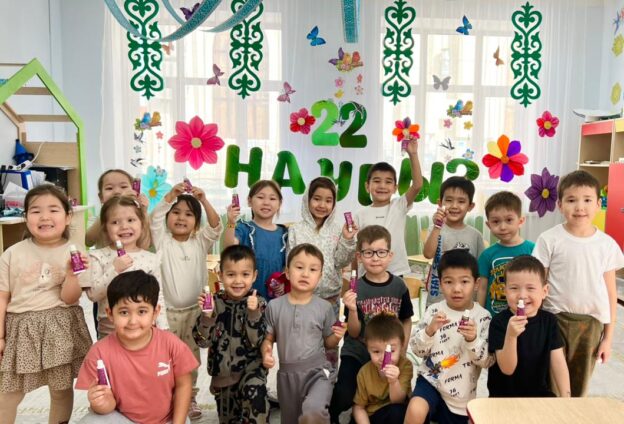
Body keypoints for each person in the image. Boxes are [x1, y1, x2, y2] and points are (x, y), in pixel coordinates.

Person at [0, 184, 92, 424]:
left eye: (53, 209)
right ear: (25, 217)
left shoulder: (75, 252)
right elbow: (2, 296)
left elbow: (70, 299)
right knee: (8, 393)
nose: (44, 216)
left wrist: (72, 274)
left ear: (68, 216)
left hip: (59, 328)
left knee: (60, 390)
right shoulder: (12, 253)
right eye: (35, 211)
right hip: (21, 329)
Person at [532, 170, 624, 396]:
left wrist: (608, 338)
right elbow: (538, 284)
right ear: (560, 205)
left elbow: (611, 294)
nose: (580, 207)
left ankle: (573, 413)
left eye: (587, 200)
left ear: (598, 204)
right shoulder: (549, 239)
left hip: (590, 324)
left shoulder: (606, 245)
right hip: (555, 319)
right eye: (571, 200)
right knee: (550, 382)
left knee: (579, 384)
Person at [75, 271, 198, 424]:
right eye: (124, 312)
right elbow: (107, 409)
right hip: (124, 419)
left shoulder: (171, 344)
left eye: (142, 311)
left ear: (155, 313)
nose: (133, 321)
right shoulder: (99, 353)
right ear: (110, 314)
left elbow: (184, 385)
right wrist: (101, 403)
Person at [151, 181, 222, 420]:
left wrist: (204, 200)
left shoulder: (199, 241)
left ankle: (189, 396)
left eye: (189, 214)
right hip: (167, 313)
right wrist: (170, 196)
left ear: (196, 222)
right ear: (168, 217)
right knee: (165, 358)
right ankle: (167, 397)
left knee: (190, 358)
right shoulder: (162, 240)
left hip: (194, 312)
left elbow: (216, 226)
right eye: (176, 212)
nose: (181, 218)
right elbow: (155, 218)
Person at [330, 225, 413, 423]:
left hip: (388, 350)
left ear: (390, 255)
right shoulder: (355, 289)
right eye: (369, 253)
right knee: (345, 393)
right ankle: (330, 415)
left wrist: (402, 349)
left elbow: (406, 319)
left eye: (381, 252)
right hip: (357, 350)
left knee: (395, 394)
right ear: (359, 256)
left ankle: (370, 413)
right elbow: (354, 332)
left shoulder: (399, 286)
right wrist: (351, 309)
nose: (375, 258)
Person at [261, 244, 347, 423]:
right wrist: (266, 352)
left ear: (320, 276)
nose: (305, 274)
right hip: (287, 377)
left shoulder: (324, 307)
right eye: (299, 267)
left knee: (313, 412)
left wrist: (337, 336)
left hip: (318, 372)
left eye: (313, 269)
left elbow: (329, 344)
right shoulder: (274, 306)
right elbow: (268, 338)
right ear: (287, 272)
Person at [406, 249, 493, 424]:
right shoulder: (433, 311)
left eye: (464, 281)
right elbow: (417, 350)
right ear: (440, 283)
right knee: (415, 409)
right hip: (430, 381)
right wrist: (429, 331)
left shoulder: (483, 317)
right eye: (448, 282)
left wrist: (473, 340)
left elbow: (487, 361)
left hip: (461, 396)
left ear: (476, 284)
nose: (456, 289)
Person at [193, 245, 269, 423]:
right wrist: (207, 316)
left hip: (253, 371)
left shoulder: (258, 303)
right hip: (224, 376)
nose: (238, 281)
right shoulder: (214, 303)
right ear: (220, 275)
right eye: (231, 274)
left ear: (254, 276)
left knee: (256, 403)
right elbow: (202, 342)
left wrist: (253, 314)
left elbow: (257, 341)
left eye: (245, 274)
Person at [288, 177, 357, 365]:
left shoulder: (337, 230)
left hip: (330, 302)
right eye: (317, 198)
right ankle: (301, 380)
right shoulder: (296, 230)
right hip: (302, 302)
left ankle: (328, 380)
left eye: (328, 200)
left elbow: (342, 261)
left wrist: (348, 239)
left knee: (330, 349)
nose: (322, 205)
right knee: (301, 349)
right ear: (307, 199)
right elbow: (291, 265)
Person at [487, 255, 570, 397]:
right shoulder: (498, 322)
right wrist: (511, 336)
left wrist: (566, 396)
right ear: (505, 291)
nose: (522, 295)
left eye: (530, 288)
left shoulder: (549, 321)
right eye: (514, 288)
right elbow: (507, 369)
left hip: (539, 395)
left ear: (544, 291)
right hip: (503, 398)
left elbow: (558, 363)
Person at [88, 195, 166, 338]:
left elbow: (158, 296)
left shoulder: (151, 259)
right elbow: (93, 295)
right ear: (105, 228)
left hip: (145, 331)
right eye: (115, 222)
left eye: (131, 220)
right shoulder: (98, 256)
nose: (124, 226)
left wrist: (163, 328)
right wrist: (114, 270)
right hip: (109, 331)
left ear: (142, 224)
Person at [354, 138, 423, 278]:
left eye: (388, 182)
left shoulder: (399, 205)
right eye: (377, 181)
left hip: (396, 272)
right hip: (367, 275)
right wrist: (353, 278)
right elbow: (355, 250)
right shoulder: (360, 214)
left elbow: (417, 185)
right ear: (367, 186)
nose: (382, 186)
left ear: (395, 188)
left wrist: (413, 154)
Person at [423, 176, 485, 306]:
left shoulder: (476, 236)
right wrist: (437, 226)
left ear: (470, 206)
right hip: (437, 300)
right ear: (440, 203)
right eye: (449, 200)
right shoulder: (435, 229)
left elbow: (480, 271)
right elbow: (428, 254)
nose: (454, 206)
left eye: (461, 201)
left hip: (466, 302)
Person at [224, 180, 288, 300]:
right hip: (246, 298)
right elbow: (229, 248)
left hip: (274, 300)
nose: (266, 202)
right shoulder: (244, 228)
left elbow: (287, 266)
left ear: (279, 203)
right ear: (249, 201)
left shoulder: (284, 233)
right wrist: (231, 223)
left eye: (272, 198)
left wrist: (284, 282)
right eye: (260, 197)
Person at [477, 191, 534, 315]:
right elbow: (482, 288)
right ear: (488, 225)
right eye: (496, 221)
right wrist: (479, 315)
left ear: (520, 221)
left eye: (509, 220)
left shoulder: (533, 250)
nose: (503, 227)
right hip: (494, 317)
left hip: (525, 316)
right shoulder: (487, 255)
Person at [352, 313, 413, 424]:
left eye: (391, 351)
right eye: (376, 351)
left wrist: (394, 381)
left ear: (402, 345)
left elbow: (398, 401)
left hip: (396, 412)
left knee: (399, 411)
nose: (384, 358)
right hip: (373, 416)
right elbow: (358, 407)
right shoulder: (364, 373)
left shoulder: (405, 365)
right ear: (368, 349)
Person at [86, 169, 149, 248]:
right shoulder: (95, 218)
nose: (117, 191)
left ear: (135, 191)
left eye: (123, 187)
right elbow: (88, 241)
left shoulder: (138, 217)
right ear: (101, 197)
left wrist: (143, 212)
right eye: (109, 188)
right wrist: (106, 214)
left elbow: (146, 245)